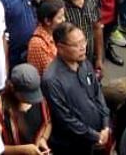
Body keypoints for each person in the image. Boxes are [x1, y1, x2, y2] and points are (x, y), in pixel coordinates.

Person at [42, 22, 111, 153]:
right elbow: (66, 119)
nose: (82, 47)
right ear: (60, 47)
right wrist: (95, 136)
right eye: (76, 45)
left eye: (83, 41)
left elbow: (98, 94)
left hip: (99, 135)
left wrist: (106, 125)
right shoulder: (52, 80)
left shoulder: (85, 63)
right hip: (74, 145)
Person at [0, 64, 52, 154]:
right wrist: (23, 150)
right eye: (26, 96)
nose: (30, 100)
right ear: (12, 88)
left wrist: (43, 139)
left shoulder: (40, 101)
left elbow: (48, 123)